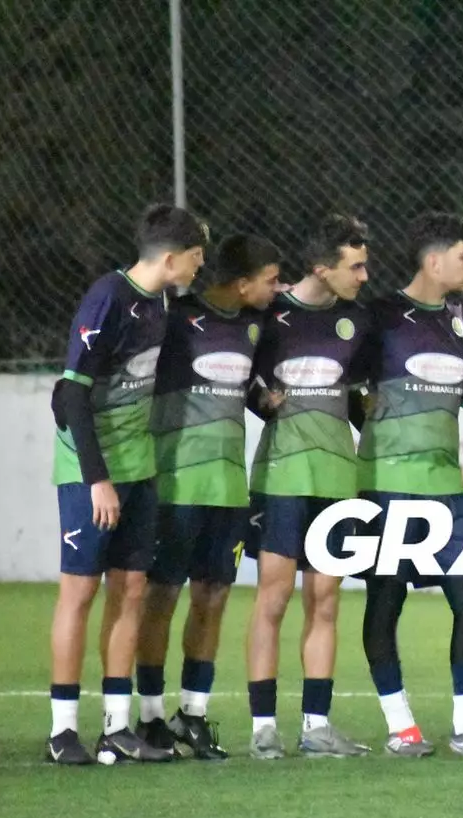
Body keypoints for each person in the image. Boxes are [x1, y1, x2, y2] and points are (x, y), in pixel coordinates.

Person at [47, 204, 208, 765]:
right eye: (196, 256)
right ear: (170, 258)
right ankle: (62, 731)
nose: (200, 265)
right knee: (80, 592)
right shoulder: (108, 297)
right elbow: (71, 393)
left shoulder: (162, 302)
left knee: (132, 588)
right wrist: (98, 480)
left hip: (139, 467)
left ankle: (116, 726)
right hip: (90, 472)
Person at [354, 212, 463, 758]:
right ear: (433, 260)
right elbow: (341, 378)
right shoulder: (380, 317)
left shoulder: (460, 318)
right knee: (386, 599)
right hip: (387, 484)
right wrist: (366, 416)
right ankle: (401, 727)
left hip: (446, 485)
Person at [134, 233, 281, 760]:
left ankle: (192, 714)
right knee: (161, 597)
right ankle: (150, 717)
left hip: (228, 488)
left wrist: (266, 401)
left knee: (214, 596)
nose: (277, 289)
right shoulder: (176, 320)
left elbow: (244, 388)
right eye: (270, 280)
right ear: (241, 283)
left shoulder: (254, 325)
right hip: (176, 484)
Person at [245, 214, 373, 760]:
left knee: (324, 601)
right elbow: (243, 383)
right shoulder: (269, 314)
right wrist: (260, 401)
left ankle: (316, 726)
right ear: (322, 268)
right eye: (355, 267)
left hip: (337, 477)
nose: (364, 277)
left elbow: (359, 398)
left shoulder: (358, 322)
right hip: (283, 475)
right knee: (273, 598)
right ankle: (263, 728)